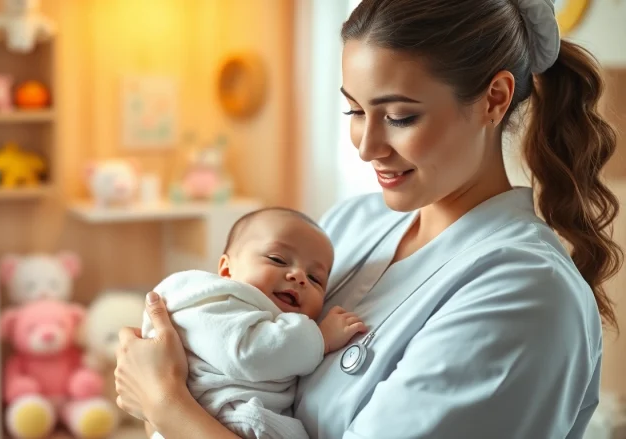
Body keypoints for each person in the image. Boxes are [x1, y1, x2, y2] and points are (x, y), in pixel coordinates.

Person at [114, 0, 622, 437]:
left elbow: (170, 400)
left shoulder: (525, 295)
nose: (366, 147)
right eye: (354, 111)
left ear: (495, 99)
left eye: (400, 116)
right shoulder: (351, 224)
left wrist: (163, 402)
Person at [143, 207, 367, 439]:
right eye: (277, 259)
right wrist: (320, 339)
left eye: (315, 279)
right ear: (227, 269)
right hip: (223, 414)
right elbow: (248, 352)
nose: (299, 276)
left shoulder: (272, 317)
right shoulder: (213, 302)